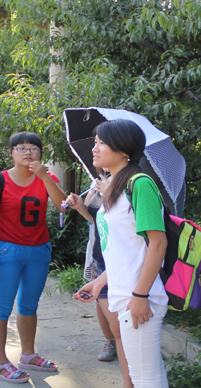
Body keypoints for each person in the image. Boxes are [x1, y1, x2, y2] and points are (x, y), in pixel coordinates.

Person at [69, 119, 168, 388]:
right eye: (95, 142)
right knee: (146, 375)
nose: (94, 148)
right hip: (124, 291)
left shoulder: (140, 184)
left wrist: (141, 296)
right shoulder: (117, 188)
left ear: (124, 150)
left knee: (145, 379)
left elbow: (157, 244)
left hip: (139, 296)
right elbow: (124, 249)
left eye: (102, 143)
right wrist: (100, 281)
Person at [0, 132, 67, 383]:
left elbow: (63, 205)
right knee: (1, 307)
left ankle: (28, 355)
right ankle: (0, 363)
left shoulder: (47, 178)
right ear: (11, 152)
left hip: (38, 250)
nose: (28, 152)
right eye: (21, 148)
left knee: (29, 306)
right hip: (7, 250)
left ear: (41, 153)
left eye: (34, 148)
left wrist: (44, 176)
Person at [66, 174, 135, 388]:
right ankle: (128, 380)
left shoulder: (135, 181)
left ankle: (135, 377)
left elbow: (132, 226)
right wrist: (80, 207)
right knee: (117, 330)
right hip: (101, 261)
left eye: (101, 144)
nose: (95, 155)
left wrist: (112, 195)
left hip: (124, 264)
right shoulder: (101, 180)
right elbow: (96, 220)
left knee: (126, 329)